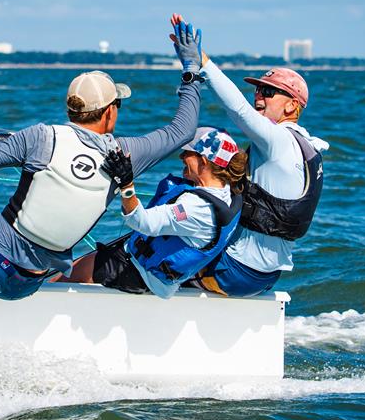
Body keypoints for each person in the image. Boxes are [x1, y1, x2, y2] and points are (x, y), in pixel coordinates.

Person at [0, 62, 202, 300]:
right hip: (28, 283)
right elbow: (183, 130)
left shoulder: (41, 136)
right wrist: (190, 73)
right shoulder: (125, 155)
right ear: (110, 112)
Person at [170, 14, 329, 297]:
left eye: (269, 91)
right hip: (266, 276)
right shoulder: (309, 146)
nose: (259, 95)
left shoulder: (278, 140)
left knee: (142, 258)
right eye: (257, 88)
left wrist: (201, 63)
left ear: (292, 106)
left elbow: (239, 110)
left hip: (234, 271)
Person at [66, 127, 247, 299]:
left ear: (204, 161)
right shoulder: (228, 192)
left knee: (66, 275)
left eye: (188, 153)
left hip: (138, 273)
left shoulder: (196, 208)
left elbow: (141, 222)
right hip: (159, 277)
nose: (182, 156)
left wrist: (126, 184)